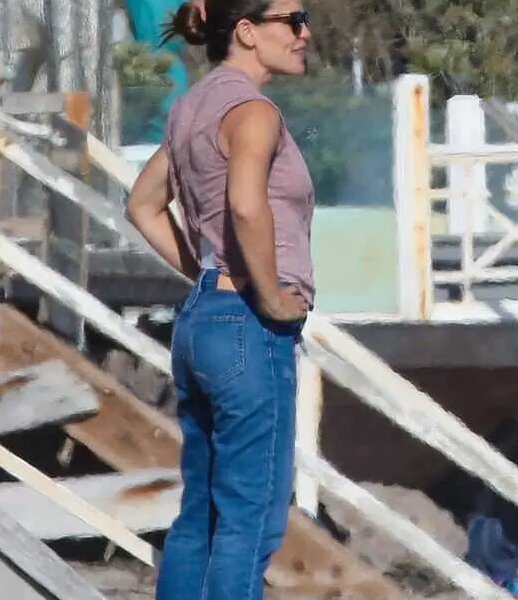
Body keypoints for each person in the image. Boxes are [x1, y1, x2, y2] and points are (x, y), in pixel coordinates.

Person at [125, 1, 314, 598]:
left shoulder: (191, 108)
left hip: (203, 320)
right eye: (294, 19)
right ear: (248, 31)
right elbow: (245, 205)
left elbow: (141, 206)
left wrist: (207, 276)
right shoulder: (253, 112)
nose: (306, 32)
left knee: (200, 517)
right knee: (249, 523)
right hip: (248, 328)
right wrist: (270, 296)